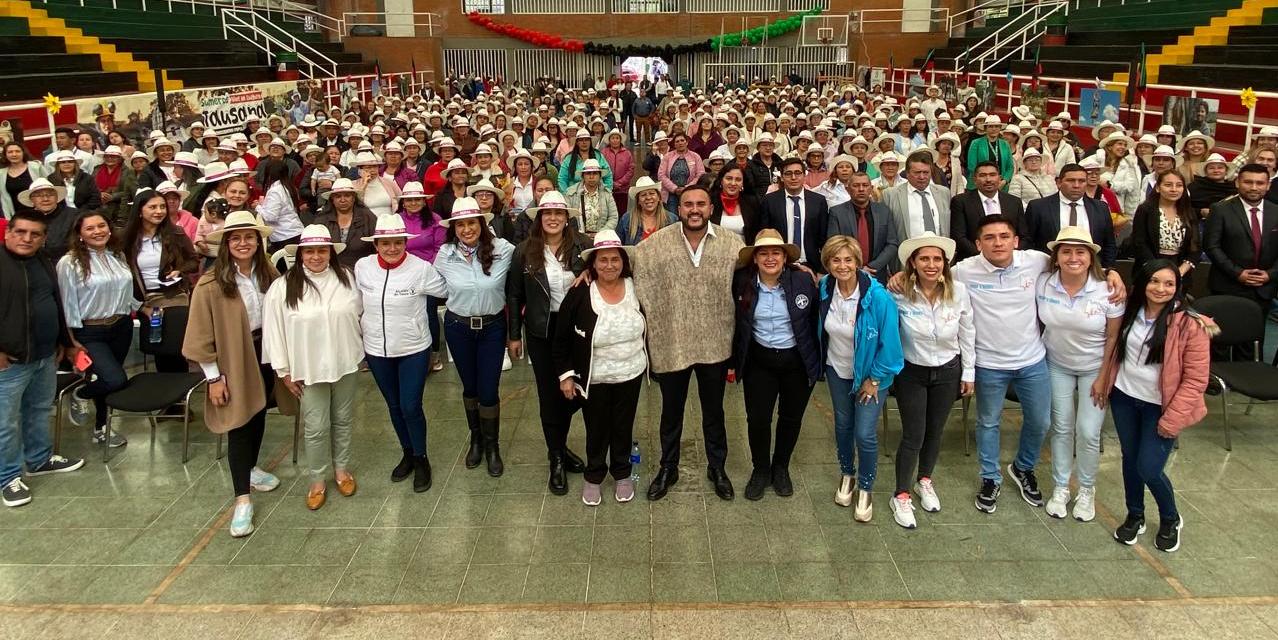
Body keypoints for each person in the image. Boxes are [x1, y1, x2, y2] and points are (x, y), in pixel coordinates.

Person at [634, 185, 745, 501]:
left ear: (711, 208)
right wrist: (589, 270)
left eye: (700, 204)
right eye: (687, 205)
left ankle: (717, 467)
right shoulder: (656, 244)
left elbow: (759, 270)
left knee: (714, 411)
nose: (694, 210)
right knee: (671, 411)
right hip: (673, 341)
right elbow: (626, 260)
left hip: (716, 342)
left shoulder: (731, 244)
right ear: (678, 208)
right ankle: (668, 467)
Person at [184, 211, 285, 536]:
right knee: (239, 423)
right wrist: (214, 377)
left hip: (264, 352)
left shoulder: (268, 273)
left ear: (259, 241)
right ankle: (242, 500)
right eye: (236, 238)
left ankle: (251, 467)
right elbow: (200, 335)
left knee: (257, 414)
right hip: (232, 358)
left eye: (249, 237)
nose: (243, 243)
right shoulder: (211, 284)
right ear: (227, 243)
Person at [1101, 259, 1213, 552]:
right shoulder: (1129, 312)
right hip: (1125, 397)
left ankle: (1170, 517)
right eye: (1154, 281)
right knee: (1130, 459)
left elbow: (1196, 381)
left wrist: (1172, 419)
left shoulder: (1191, 324)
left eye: (1169, 283)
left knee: (1149, 467)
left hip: (1160, 408)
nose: (1160, 289)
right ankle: (1135, 514)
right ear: (1142, 283)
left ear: (1177, 288)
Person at [263, 224, 363, 511]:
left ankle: (341, 469)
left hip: (345, 362)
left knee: (343, 419)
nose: (316, 257)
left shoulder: (346, 277)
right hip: (307, 368)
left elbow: (358, 314)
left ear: (331, 253)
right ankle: (317, 479)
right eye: (310, 251)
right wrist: (283, 371)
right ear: (301, 253)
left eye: (322, 250)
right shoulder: (282, 287)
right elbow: (274, 331)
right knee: (316, 426)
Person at [355, 214, 448, 493]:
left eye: (398, 242)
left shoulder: (420, 269)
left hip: (413, 349)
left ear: (405, 243)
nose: (392, 248)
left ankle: (421, 458)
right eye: (386, 243)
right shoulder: (363, 267)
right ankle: (407, 452)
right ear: (376, 244)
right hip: (376, 350)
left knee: (410, 406)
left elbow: (446, 290)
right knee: (394, 407)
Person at [1037, 227, 1125, 522]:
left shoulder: (1108, 289)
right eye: (1066, 251)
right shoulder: (1044, 283)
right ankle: (1061, 487)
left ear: (1091, 257)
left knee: (1088, 432)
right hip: (1056, 365)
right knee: (1061, 428)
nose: (1073, 257)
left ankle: (1086, 490)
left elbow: (1113, 338)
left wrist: (1103, 376)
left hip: (1094, 368)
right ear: (1056, 257)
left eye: (1080, 252)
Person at [506, 191, 591, 495]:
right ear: (539, 218)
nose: (553, 218)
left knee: (575, 393)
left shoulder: (583, 246)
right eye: (547, 213)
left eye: (558, 213)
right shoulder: (524, 251)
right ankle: (556, 455)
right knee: (549, 394)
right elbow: (514, 294)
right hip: (542, 330)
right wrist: (514, 335)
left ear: (566, 217)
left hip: (575, 329)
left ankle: (558, 443)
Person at [553, 229, 646, 505]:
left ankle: (622, 473)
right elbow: (561, 337)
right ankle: (594, 475)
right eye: (602, 260)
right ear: (592, 263)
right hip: (595, 376)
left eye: (615, 259)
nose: (609, 265)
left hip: (631, 372)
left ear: (623, 261)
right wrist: (566, 376)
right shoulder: (581, 291)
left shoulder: (635, 285)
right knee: (596, 428)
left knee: (623, 425)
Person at [0, 210, 86, 508]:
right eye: (21, 232)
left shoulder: (43, 261)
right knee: (5, 423)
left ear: (43, 238)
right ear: (8, 232)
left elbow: (55, 304)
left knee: (38, 410)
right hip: (9, 362)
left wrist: (66, 342)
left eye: (34, 234)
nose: (27, 238)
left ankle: (38, 459)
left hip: (45, 355)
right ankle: (8, 477)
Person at [888, 232, 973, 529]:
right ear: (912, 262)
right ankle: (900, 493)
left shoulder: (958, 291)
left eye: (937, 258)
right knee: (914, 434)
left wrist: (969, 373)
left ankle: (925, 479)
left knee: (935, 431)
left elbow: (968, 332)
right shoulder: (898, 291)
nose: (931, 264)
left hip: (948, 371)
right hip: (911, 372)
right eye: (924, 258)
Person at [818, 235, 903, 522]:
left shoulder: (878, 298)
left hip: (871, 376)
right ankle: (847, 474)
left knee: (864, 432)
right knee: (843, 425)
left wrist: (875, 379)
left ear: (858, 262)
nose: (842, 266)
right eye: (835, 260)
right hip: (837, 370)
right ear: (828, 263)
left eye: (848, 260)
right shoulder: (824, 288)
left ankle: (866, 486)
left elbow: (891, 346)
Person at [731, 229, 820, 501]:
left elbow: (816, 317)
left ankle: (781, 467)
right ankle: (761, 469)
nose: (770, 258)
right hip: (759, 360)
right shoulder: (741, 282)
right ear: (755, 258)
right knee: (758, 419)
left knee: (791, 418)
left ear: (785, 257)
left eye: (776, 252)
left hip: (796, 360)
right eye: (764, 253)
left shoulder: (803, 281)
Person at [435, 196, 516, 477]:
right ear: (453, 227)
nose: (467, 229)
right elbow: (433, 286)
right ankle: (476, 439)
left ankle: (493, 446)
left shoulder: (502, 249)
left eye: (472, 223)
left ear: (481, 223)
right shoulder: (445, 254)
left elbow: (526, 268)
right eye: (460, 225)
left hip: (492, 328)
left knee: (489, 389)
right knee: (470, 387)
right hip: (459, 328)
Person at [57, 212, 139, 447]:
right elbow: (65, 303)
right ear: (80, 234)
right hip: (89, 332)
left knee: (106, 378)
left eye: (102, 225)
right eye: (90, 228)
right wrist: (70, 341)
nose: (98, 231)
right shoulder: (69, 262)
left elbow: (126, 291)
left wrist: (141, 308)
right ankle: (81, 394)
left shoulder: (117, 256)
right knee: (115, 380)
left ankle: (102, 428)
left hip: (120, 326)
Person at [123, 188, 199, 373]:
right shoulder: (127, 238)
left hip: (174, 296)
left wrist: (179, 270)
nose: (159, 211)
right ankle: (166, 396)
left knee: (175, 349)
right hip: (146, 300)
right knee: (160, 351)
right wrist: (138, 305)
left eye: (162, 207)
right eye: (153, 207)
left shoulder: (176, 233)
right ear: (140, 210)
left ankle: (180, 393)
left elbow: (194, 261)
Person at [1203, 163, 1278, 336]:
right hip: (1227, 286)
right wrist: (1238, 273)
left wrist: (1270, 274)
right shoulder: (1220, 209)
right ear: (1237, 183)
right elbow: (1212, 247)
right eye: (1248, 182)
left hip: (1263, 289)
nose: (1254, 187)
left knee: (1252, 343)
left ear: (1268, 186)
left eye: (1260, 183)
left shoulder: (1276, 212)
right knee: (1220, 343)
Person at [1024, 164, 1118, 267]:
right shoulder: (1038, 207)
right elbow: (1028, 243)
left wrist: (1108, 270)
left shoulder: (1101, 208)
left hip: (1091, 272)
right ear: (1059, 183)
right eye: (1071, 180)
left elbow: (1109, 244)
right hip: (1048, 270)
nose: (1076, 185)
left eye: (1081, 181)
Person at [826, 172, 898, 282]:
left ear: (871, 188)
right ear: (847, 189)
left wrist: (872, 267)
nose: (861, 189)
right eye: (856, 185)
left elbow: (892, 243)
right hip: (846, 274)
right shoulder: (836, 213)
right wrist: (855, 268)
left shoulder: (884, 211)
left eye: (865, 185)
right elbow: (834, 246)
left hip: (876, 274)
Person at [950, 161, 1028, 262]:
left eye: (992, 175)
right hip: (974, 262)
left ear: (999, 178)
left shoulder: (1014, 202)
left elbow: (1025, 236)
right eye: (982, 175)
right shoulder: (961, 201)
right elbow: (959, 237)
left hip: (1010, 261)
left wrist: (1007, 256)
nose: (988, 179)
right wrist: (985, 257)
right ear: (974, 179)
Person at [761, 157, 830, 269]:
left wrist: (822, 269)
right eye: (788, 174)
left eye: (798, 173)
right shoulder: (769, 201)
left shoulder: (818, 201)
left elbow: (824, 237)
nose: (793, 177)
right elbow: (765, 234)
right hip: (779, 264)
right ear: (782, 177)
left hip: (811, 264)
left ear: (804, 175)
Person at [1131, 170, 1200, 276]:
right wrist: (1157, 270)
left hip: (1180, 269)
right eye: (1168, 185)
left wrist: (1180, 272)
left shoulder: (1189, 212)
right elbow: (1139, 243)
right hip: (1149, 267)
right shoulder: (1145, 210)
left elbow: (1195, 247)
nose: (1174, 189)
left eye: (1179, 185)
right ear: (1158, 188)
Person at [881, 152, 951, 243]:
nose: (922, 177)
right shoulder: (890, 195)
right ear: (907, 173)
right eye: (917, 173)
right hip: (905, 253)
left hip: (938, 252)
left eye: (926, 172)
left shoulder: (943, 193)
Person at [313, 178, 378, 269]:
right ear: (332, 199)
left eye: (347, 195)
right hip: (330, 271)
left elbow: (377, 246)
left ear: (354, 198)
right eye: (338, 196)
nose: (342, 200)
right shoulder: (321, 220)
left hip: (364, 270)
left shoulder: (368, 217)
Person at [15, 178, 77, 258]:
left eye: (50, 194)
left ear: (57, 197)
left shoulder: (74, 216)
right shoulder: (24, 220)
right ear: (31, 200)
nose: (45, 199)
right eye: (39, 195)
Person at [257, 159, 305, 253]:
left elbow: (271, 217)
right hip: (295, 232)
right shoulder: (288, 187)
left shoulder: (275, 190)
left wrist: (258, 207)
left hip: (285, 236)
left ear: (269, 174)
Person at [565, 159, 618, 237]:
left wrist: (600, 234)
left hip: (601, 237)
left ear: (600, 176)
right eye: (588, 173)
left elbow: (613, 217)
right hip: (577, 238)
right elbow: (566, 216)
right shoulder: (571, 193)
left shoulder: (607, 194)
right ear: (583, 176)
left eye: (595, 173)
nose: (591, 177)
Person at [710, 164, 763, 242]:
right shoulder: (710, 201)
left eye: (738, 179)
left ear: (743, 183)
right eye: (729, 178)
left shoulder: (752, 202)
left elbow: (758, 232)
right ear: (721, 180)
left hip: (744, 251)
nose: (733, 183)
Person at [618, 176, 677, 245]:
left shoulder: (672, 219)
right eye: (643, 195)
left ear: (659, 198)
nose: (648, 197)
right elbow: (619, 246)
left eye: (652, 193)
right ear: (638, 201)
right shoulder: (627, 219)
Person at [658, 132, 704, 214]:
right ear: (674, 144)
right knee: (672, 219)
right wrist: (674, 188)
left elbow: (700, 174)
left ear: (687, 142)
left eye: (682, 140)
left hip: (691, 192)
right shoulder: (667, 157)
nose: (680, 143)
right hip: (671, 194)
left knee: (688, 215)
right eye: (677, 141)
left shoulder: (695, 156)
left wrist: (687, 188)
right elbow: (661, 175)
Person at [964, 115, 1014, 188]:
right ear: (985, 128)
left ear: (1000, 128)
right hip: (979, 184)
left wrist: (1004, 181)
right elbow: (972, 166)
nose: (994, 129)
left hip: (1001, 185)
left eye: (996, 126)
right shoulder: (976, 143)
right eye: (990, 126)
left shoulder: (1005, 144)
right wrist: (985, 180)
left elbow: (1010, 167)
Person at [1, 141, 47, 219]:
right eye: (10, 152)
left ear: (23, 153)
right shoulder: (1, 174)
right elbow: (4, 199)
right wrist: (8, 219)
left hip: (40, 213)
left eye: (17, 151)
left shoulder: (36, 167)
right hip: (17, 215)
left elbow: (48, 187)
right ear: (5, 155)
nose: (14, 154)